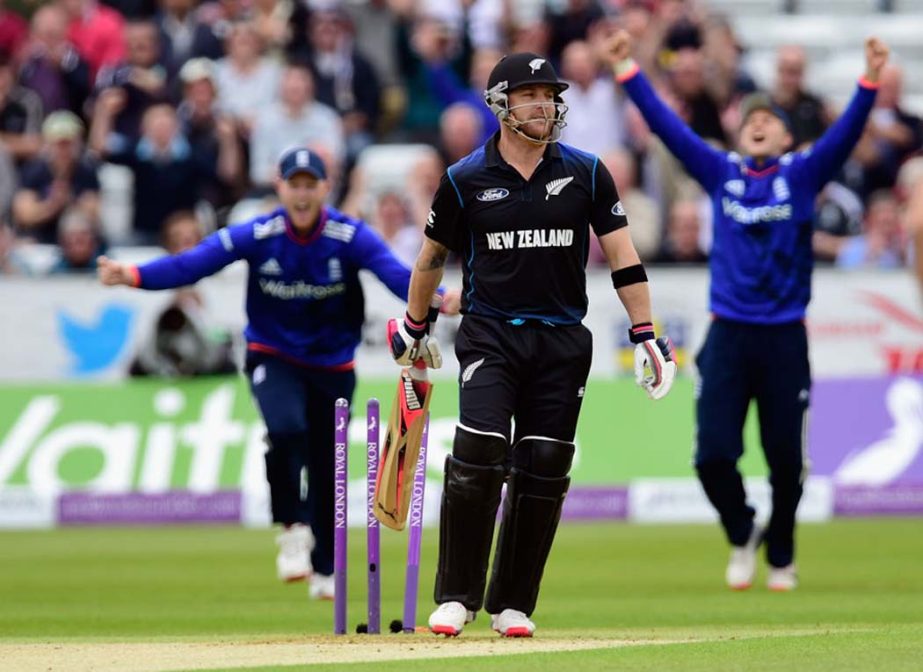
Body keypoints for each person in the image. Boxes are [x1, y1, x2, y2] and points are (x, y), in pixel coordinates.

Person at [390, 52, 675, 638]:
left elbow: (624, 258)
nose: (544, 104)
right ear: (501, 104)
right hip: (491, 334)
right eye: (529, 94)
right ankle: (456, 598)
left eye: (549, 94)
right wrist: (415, 328)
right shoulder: (465, 178)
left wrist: (646, 333)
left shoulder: (589, 171)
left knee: (544, 467)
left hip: (563, 340)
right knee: (479, 453)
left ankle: (513, 603)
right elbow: (429, 260)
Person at [606, 30, 890, 592]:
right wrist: (627, 71)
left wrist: (870, 80)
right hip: (729, 336)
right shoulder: (722, 173)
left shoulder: (802, 175)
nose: (758, 122)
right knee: (712, 456)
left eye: (770, 120)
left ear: (786, 136)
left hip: (784, 338)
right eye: (750, 120)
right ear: (740, 133)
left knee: (786, 463)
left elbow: (847, 133)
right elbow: (669, 129)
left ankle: (781, 552)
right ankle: (743, 532)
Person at [98, 147, 425, 600]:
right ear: (281, 187)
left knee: (328, 467)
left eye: (312, 184)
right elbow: (194, 262)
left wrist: (440, 298)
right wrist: (133, 274)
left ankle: (326, 568)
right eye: (296, 184)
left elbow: (395, 274)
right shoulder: (260, 233)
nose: (303, 193)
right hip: (274, 354)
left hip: (333, 364)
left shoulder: (348, 235)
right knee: (285, 430)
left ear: (326, 189)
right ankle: (291, 528)